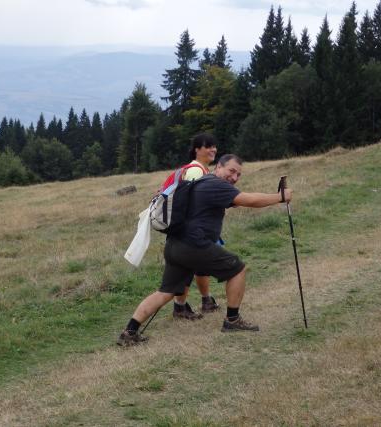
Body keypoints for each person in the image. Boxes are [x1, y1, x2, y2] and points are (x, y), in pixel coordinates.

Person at [117, 154, 292, 346]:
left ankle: (130, 331)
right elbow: (248, 200)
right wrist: (280, 197)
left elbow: (239, 200)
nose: (234, 177)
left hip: (175, 244)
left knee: (165, 292)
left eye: (238, 175)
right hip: (194, 245)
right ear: (219, 167)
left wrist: (272, 196)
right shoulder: (216, 184)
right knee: (237, 269)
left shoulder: (203, 182)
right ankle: (232, 320)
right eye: (231, 171)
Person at [172, 134, 220, 320]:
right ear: (197, 150)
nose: (213, 150)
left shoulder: (202, 170)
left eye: (214, 146)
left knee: (201, 265)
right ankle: (180, 307)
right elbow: (192, 201)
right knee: (188, 267)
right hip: (192, 229)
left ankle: (206, 301)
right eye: (208, 146)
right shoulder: (195, 171)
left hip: (197, 228)